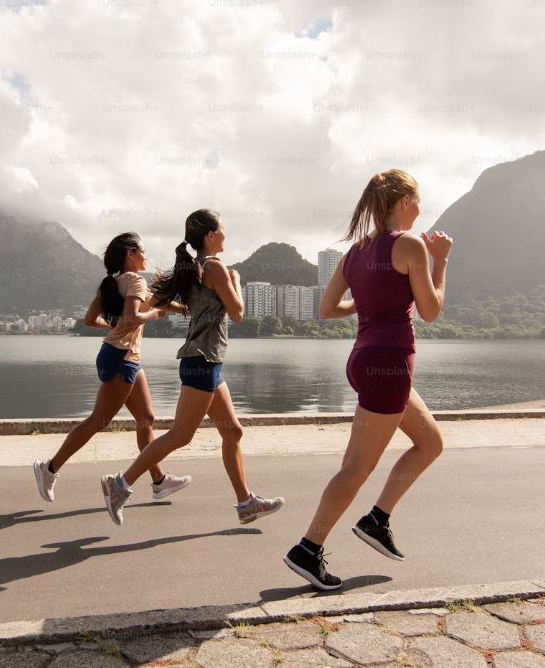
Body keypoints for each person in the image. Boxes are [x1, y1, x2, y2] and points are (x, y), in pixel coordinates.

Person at [283, 169, 452, 590]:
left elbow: (326, 308)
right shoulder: (411, 245)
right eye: (418, 198)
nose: (421, 207)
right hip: (390, 363)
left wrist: (370, 304)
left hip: (364, 359)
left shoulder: (355, 253)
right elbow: (430, 311)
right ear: (404, 200)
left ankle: (377, 520)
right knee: (356, 467)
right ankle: (308, 547)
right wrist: (442, 261)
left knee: (430, 442)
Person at [100, 210, 285, 526]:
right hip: (202, 361)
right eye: (222, 230)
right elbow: (238, 313)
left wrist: (182, 310)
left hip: (206, 360)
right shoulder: (214, 266)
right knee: (181, 434)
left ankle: (245, 503)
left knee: (233, 431)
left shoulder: (192, 268)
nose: (226, 235)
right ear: (210, 236)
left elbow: (154, 302)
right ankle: (120, 485)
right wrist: (237, 281)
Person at [34, 232, 191, 502]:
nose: (146, 255)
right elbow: (135, 316)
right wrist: (151, 316)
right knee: (99, 420)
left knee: (146, 419)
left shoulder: (113, 282)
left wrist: (192, 310)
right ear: (130, 254)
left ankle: (159, 481)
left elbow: (90, 320)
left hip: (122, 355)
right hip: (122, 357)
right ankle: (48, 469)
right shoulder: (136, 281)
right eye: (142, 251)